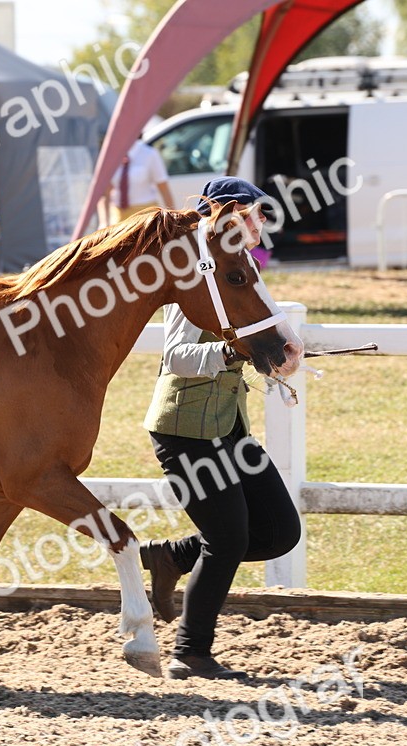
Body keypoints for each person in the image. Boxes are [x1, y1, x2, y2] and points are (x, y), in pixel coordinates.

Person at [138, 177, 301, 681]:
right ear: (228, 215)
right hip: (185, 429)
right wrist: (233, 351)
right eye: (254, 213)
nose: (262, 222)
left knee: (279, 532)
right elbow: (176, 356)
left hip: (228, 425)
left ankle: (171, 557)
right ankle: (190, 652)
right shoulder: (199, 274)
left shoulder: (238, 267)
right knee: (227, 540)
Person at [101, 135, 176, 226]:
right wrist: (104, 222)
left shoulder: (149, 153)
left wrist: (172, 218)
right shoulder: (110, 154)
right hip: (118, 217)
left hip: (145, 216)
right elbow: (105, 192)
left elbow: (163, 188)